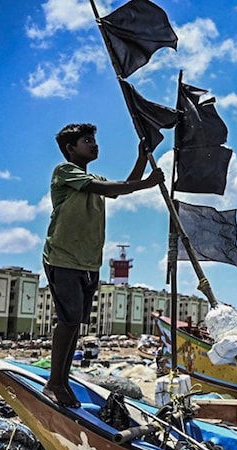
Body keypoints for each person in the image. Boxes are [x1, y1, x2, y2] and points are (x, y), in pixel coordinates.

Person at [42, 123, 164, 407]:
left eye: (94, 141)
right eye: (87, 141)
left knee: (75, 324)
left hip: (88, 261)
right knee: (68, 319)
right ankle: (54, 382)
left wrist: (142, 158)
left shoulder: (93, 176)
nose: (94, 145)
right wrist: (147, 182)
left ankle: (63, 380)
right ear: (71, 149)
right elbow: (110, 187)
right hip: (62, 256)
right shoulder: (65, 171)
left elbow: (119, 190)